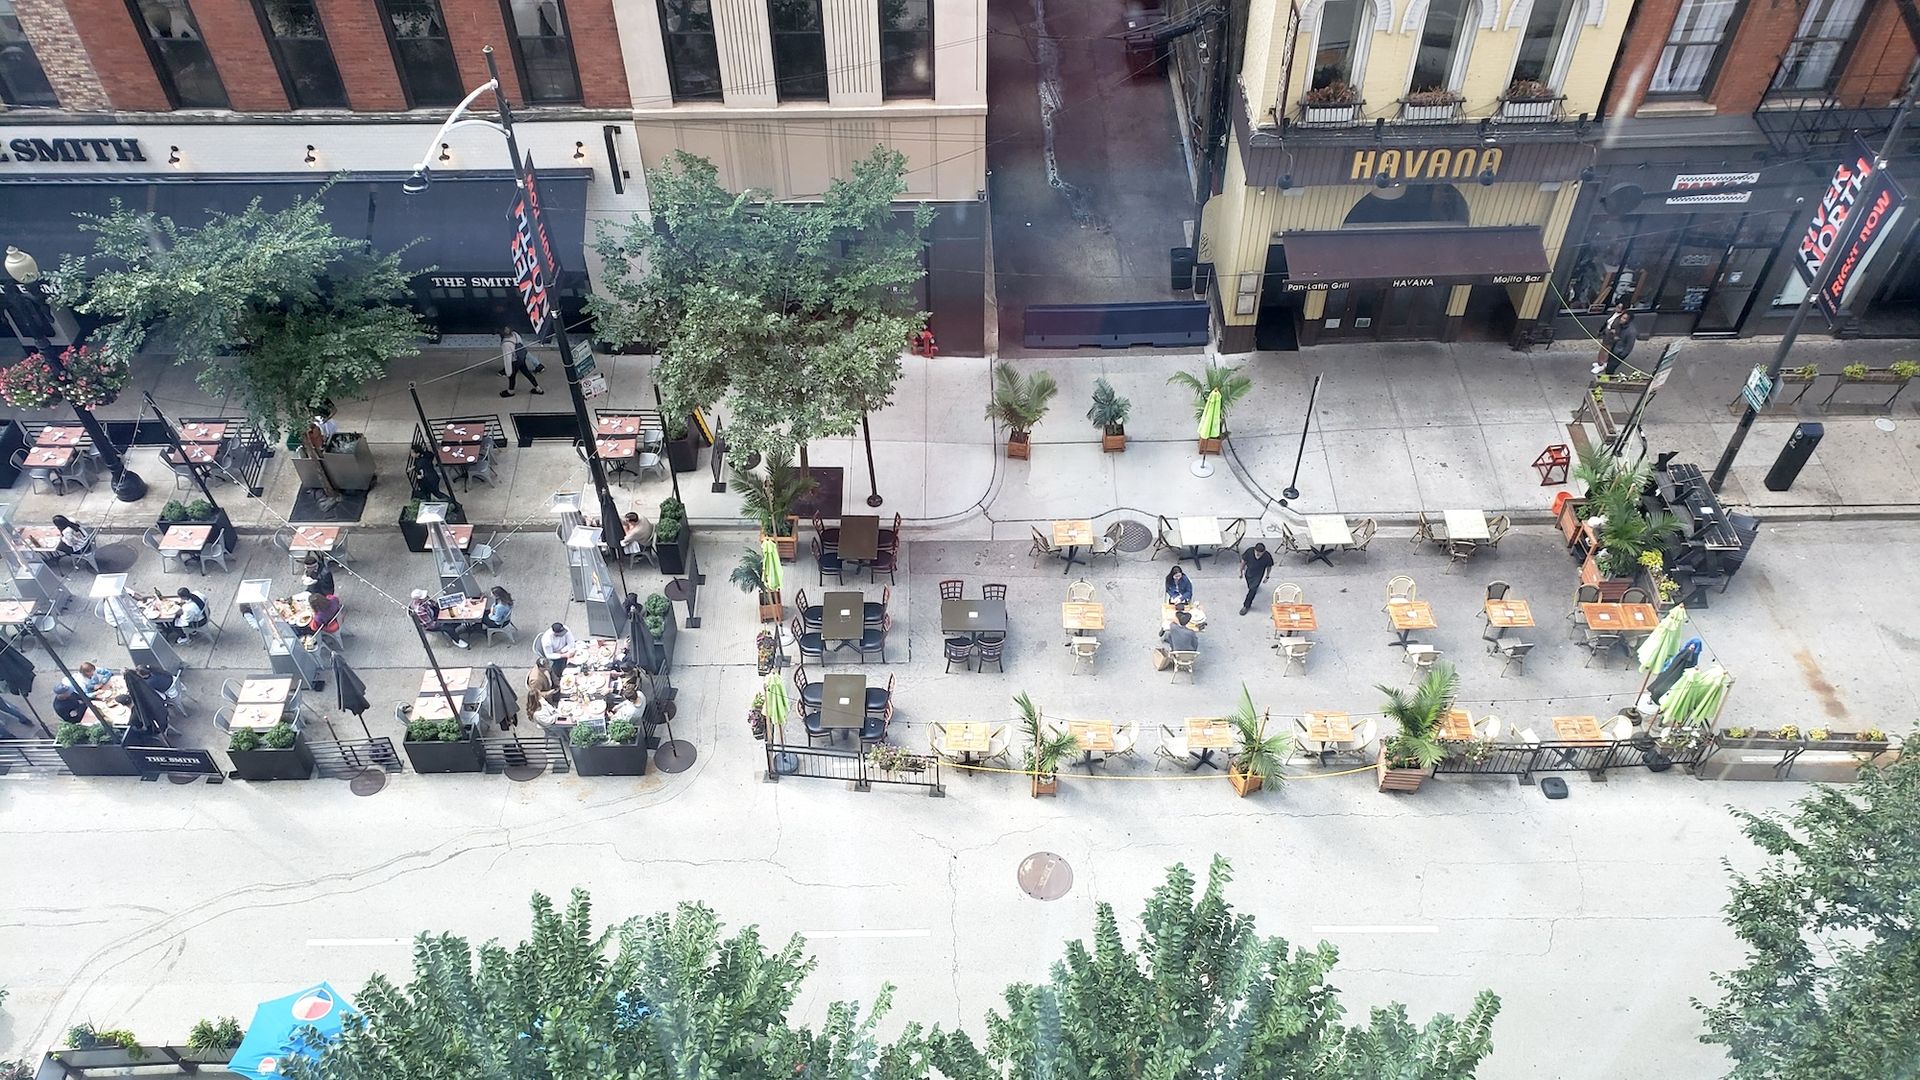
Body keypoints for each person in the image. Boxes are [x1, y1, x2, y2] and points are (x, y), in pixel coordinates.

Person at [499, 326, 545, 397]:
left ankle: (511, 391)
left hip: (514, 361)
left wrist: (508, 372)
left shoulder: (505, 344)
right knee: (527, 373)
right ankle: (538, 388)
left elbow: (507, 358)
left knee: (512, 376)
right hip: (521, 358)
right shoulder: (515, 334)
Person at [1597, 302, 1637, 376]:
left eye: (1624, 318)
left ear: (1628, 320)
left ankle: (1607, 382)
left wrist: (1621, 355)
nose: (1621, 319)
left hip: (1618, 353)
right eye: (1622, 317)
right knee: (1608, 367)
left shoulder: (1631, 332)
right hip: (1614, 350)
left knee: (1610, 369)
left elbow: (1629, 347)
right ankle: (1606, 379)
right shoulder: (1622, 326)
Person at [1238, 542, 1275, 616]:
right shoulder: (1249, 551)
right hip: (1249, 571)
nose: (1258, 554)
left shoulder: (1267, 556)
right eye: (1257, 552)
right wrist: (1240, 570)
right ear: (1254, 550)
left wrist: (1267, 576)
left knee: (1253, 589)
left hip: (1258, 574)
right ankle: (1252, 588)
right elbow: (1243, 561)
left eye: (1260, 553)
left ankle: (1246, 605)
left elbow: (1269, 567)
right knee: (1250, 585)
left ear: (1263, 552)